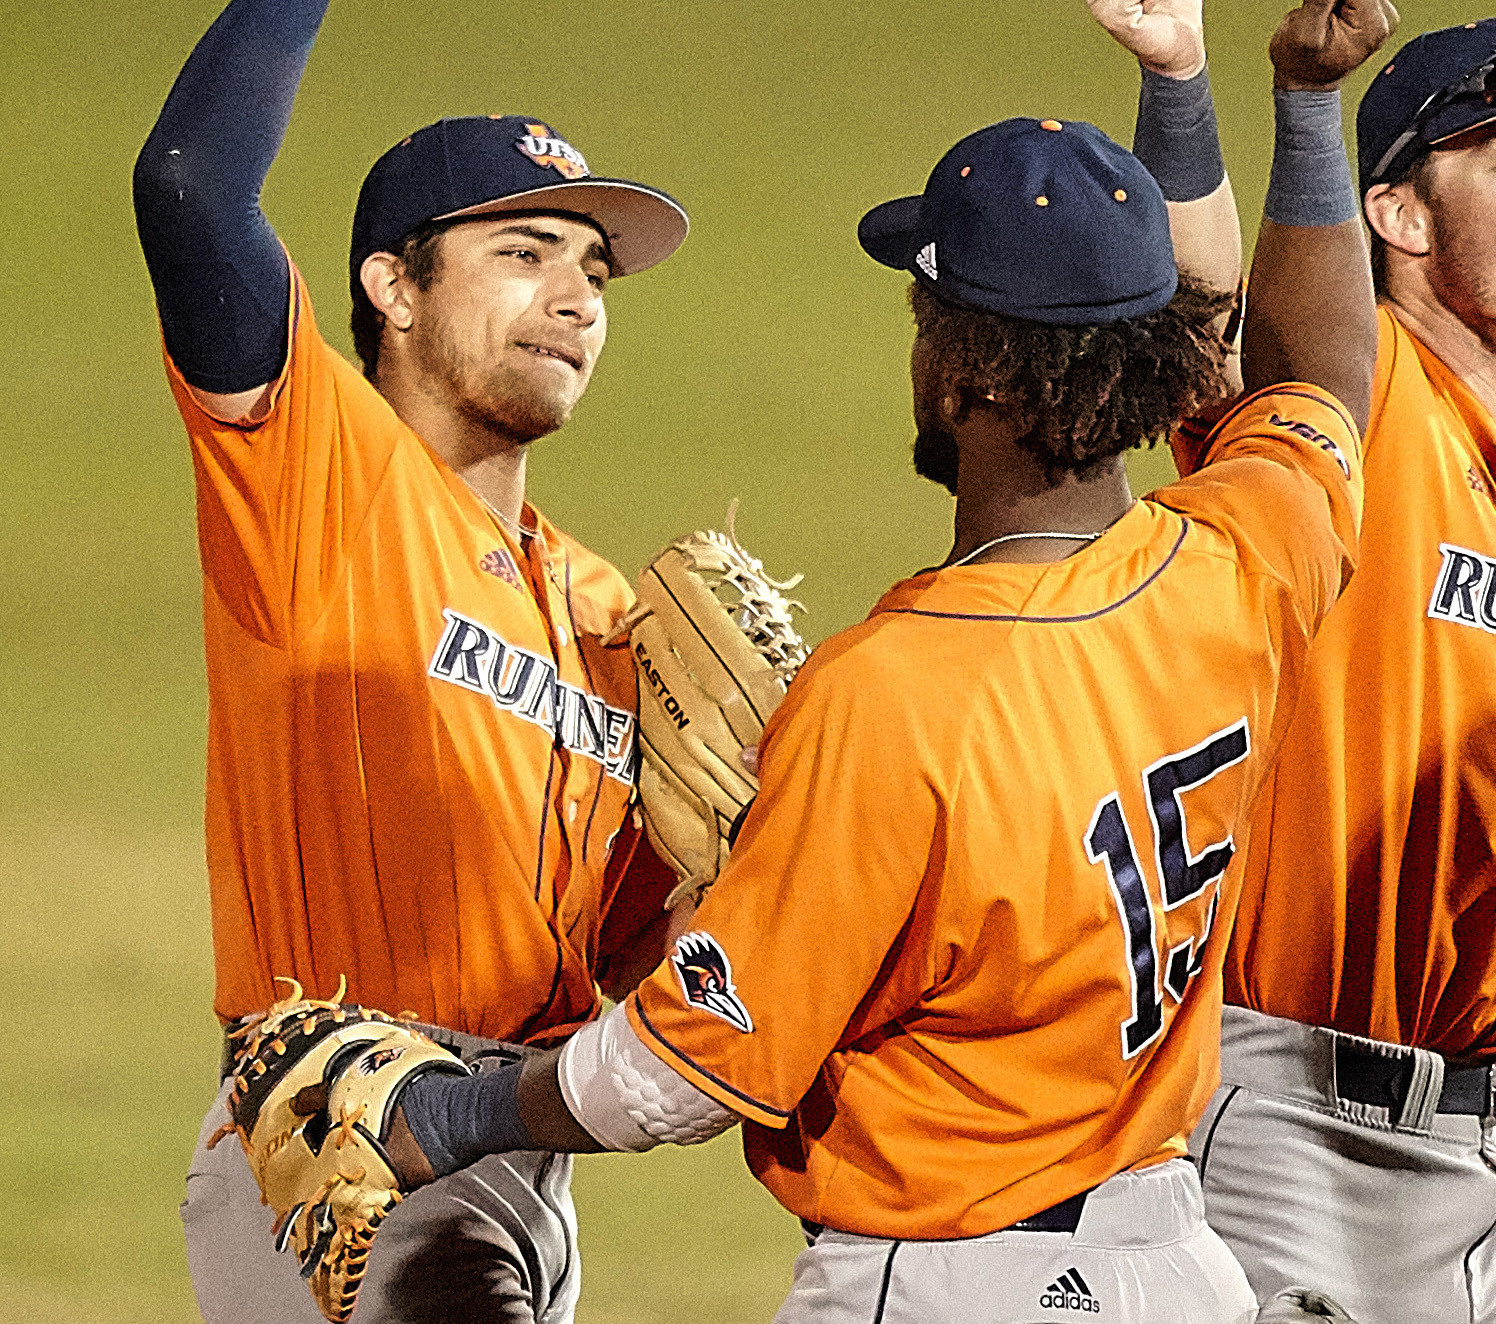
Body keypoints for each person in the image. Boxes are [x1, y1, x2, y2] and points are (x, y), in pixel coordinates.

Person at [320, 6, 1398, 1321]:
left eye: (925, 313)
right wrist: (1292, 104)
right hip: (1177, 1266)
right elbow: (1326, 373)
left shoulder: (889, 696)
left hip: (951, 1282)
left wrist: (447, 1115)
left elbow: (681, 1075)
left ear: (966, 376)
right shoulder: (1243, 557)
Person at [132, 0, 694, 1319]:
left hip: (523, 1157)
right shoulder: (321, 470)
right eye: (523, 252)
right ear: (392, 286)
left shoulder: (606, 609)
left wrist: (726, 875)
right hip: (339, 1131)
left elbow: (614, 951)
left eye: (593, 274)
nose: (573, 299)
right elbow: (191, 184)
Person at [1159, 17, 1496, 1324]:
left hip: (1468, 1150)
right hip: (1286, 1129)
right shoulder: (1358, 399)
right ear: (1391, 211)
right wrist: (1231, 92)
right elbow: (1213, 325)